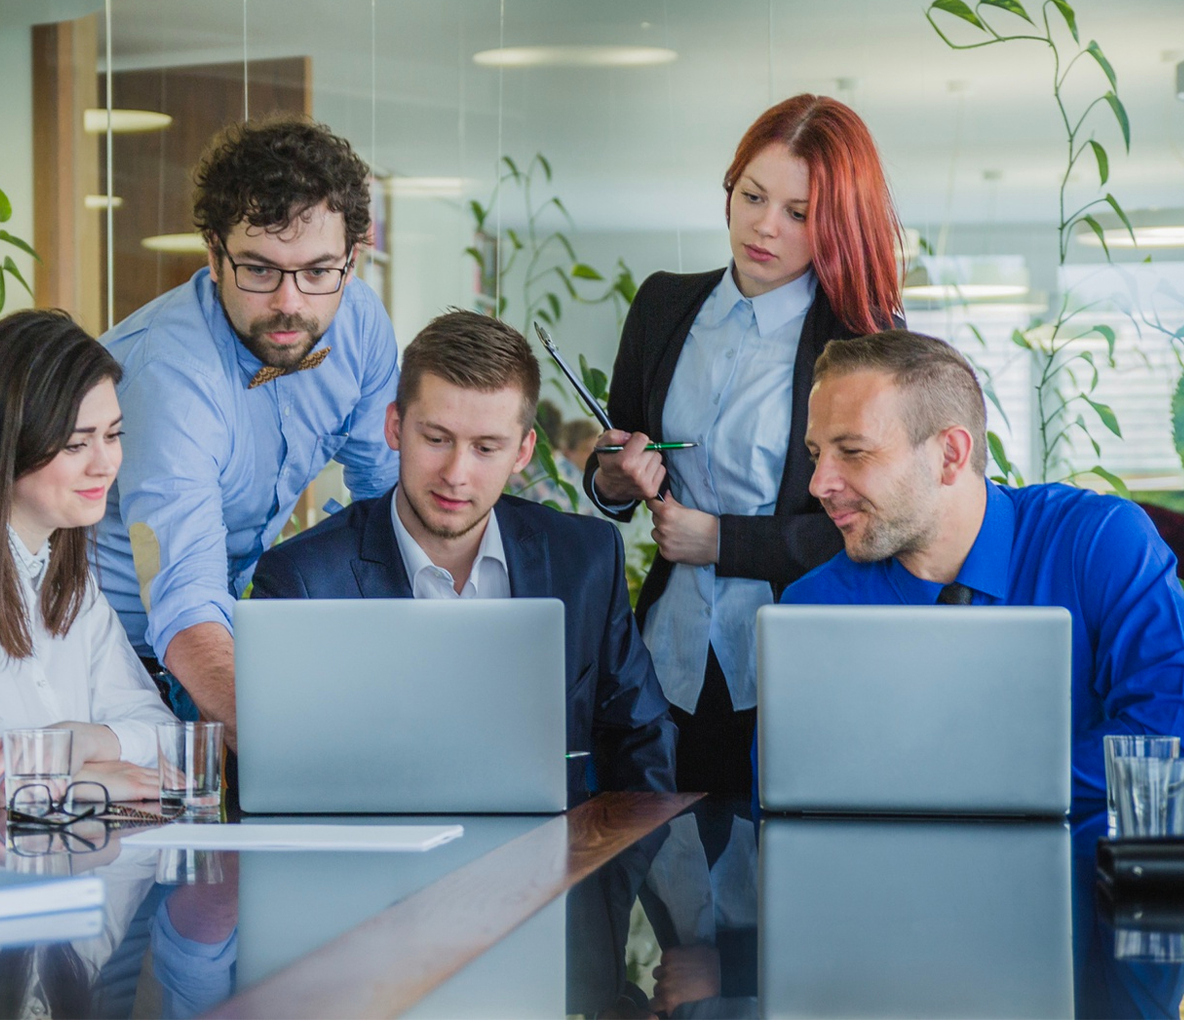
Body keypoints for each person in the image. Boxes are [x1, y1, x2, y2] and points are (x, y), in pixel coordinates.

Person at [584, 93, 904, 794]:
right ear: (729, 188)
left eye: (799, 214)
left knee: (782, 883)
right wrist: (612, 481)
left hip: (798, 658)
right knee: (665, 880)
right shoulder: (664, 305)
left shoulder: (863, 346)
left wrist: (723, 541)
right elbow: (619, 457)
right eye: (753, 196)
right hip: (667, 655)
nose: (764, 227)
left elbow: (879, 528)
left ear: (837, 226)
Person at [252, 310, 676, 799]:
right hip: (378, 866)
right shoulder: (302, 581)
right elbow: (281, 779)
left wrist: (617, 869)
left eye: (486, 448)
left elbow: (641, 738)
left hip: (557, 861)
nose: (456, 473)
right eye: (436, 439)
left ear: (522, 451)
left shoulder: (583, 558)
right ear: (394, 427)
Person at [94, 115, 400, 745]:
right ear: (213, 253)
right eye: (259, 270)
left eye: (318, 271)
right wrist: (288, 752)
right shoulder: (170, 377)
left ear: (353, 257)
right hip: (117, 656)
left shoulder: (360, 323)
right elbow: (183, 596)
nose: (290, 303)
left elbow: (386, 502)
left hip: (236, 628)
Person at [777, 329, 1184, 801]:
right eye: (815, 454)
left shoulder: (1098, 544)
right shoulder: (813, 610)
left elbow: (1168, 727)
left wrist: (971, 783)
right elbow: (790, 797)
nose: (819, 484)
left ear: (950, 455)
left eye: (852, 452)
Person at [0, 310, 175, 811]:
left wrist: (82, 743)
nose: (105, 463)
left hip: (55, 865)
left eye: (112, 435)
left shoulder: (61, 568)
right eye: (77, 443)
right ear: (7, 444)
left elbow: (164, 737)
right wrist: (48, 776)